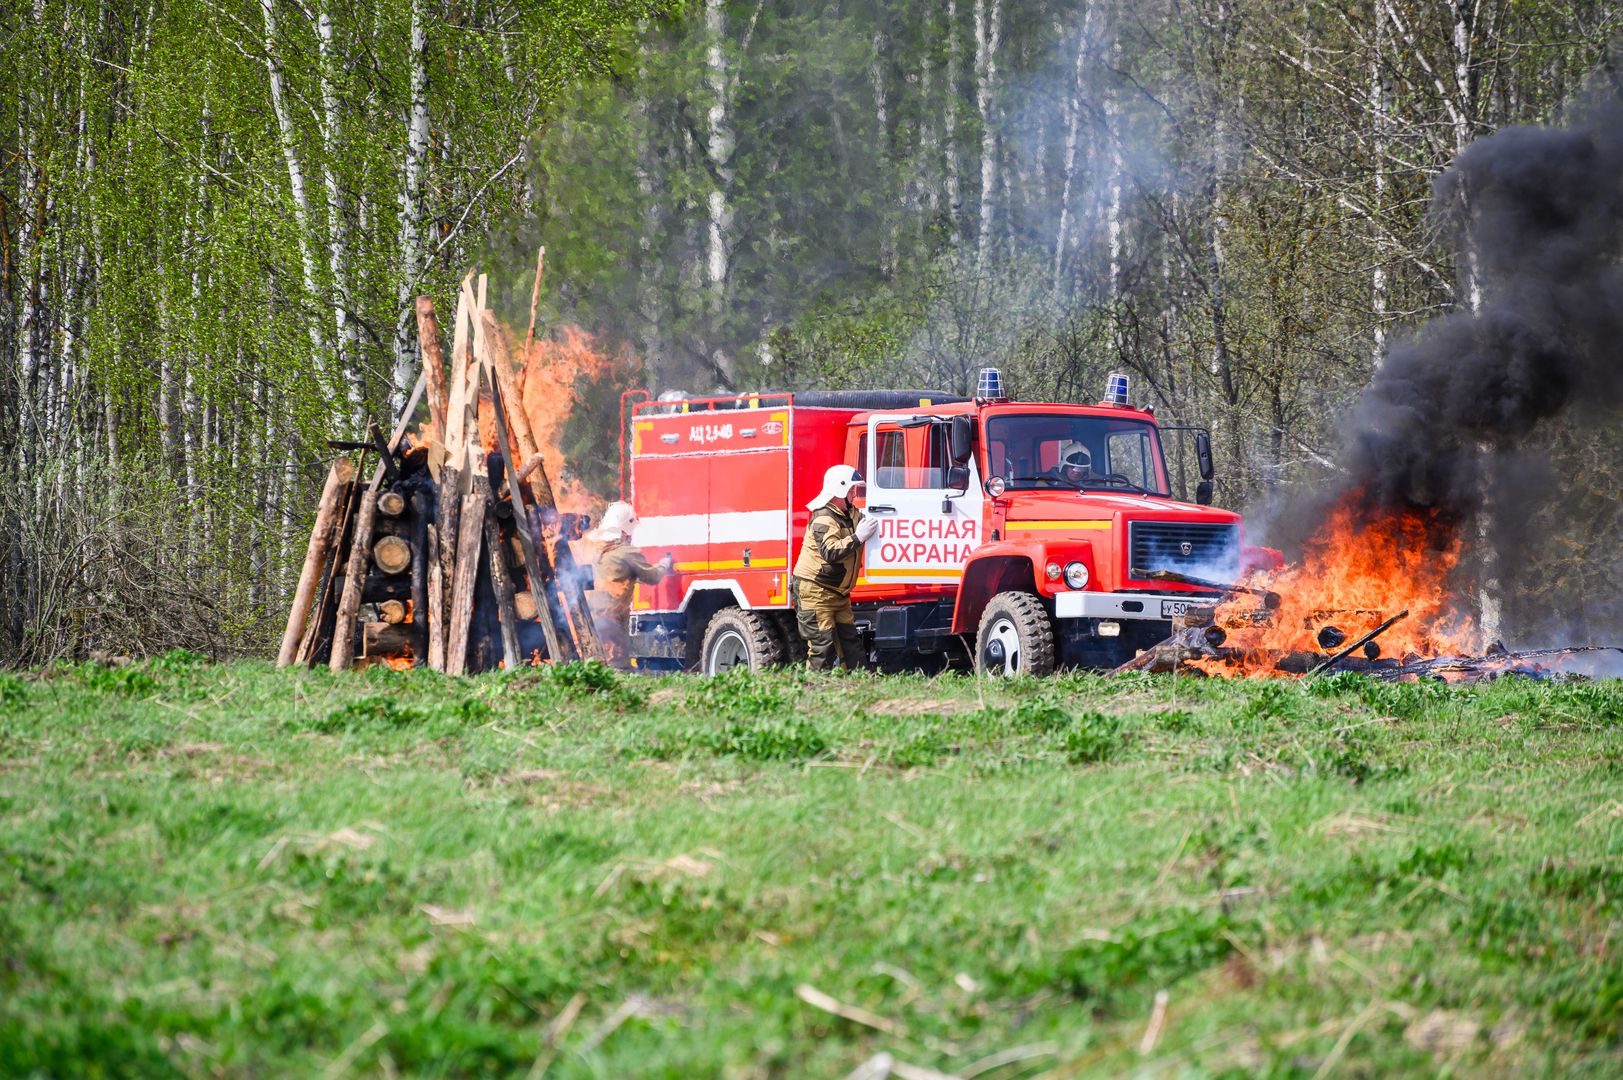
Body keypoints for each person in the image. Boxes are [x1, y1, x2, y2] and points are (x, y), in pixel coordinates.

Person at [792, 464, 880, 670]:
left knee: (851, 645)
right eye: (851, 490)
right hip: (815, 592)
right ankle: (814, 694)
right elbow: (830, 552)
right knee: (822, 647)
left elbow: (867, 518)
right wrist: (858, 537)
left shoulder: (848, 513)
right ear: (840, 490)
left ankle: (858, 690)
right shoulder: (824, 516)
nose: (853, 495)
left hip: (837, 594)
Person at [585, 501, 672, 671]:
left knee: (595, 665)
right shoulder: (627, 552)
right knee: (618, 667)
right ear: (625, 530)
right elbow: (652, 577)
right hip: (611, 619)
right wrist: (663, 564)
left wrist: (632, 577)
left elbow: (614, 574)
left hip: (590, 616)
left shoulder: (596, 548)